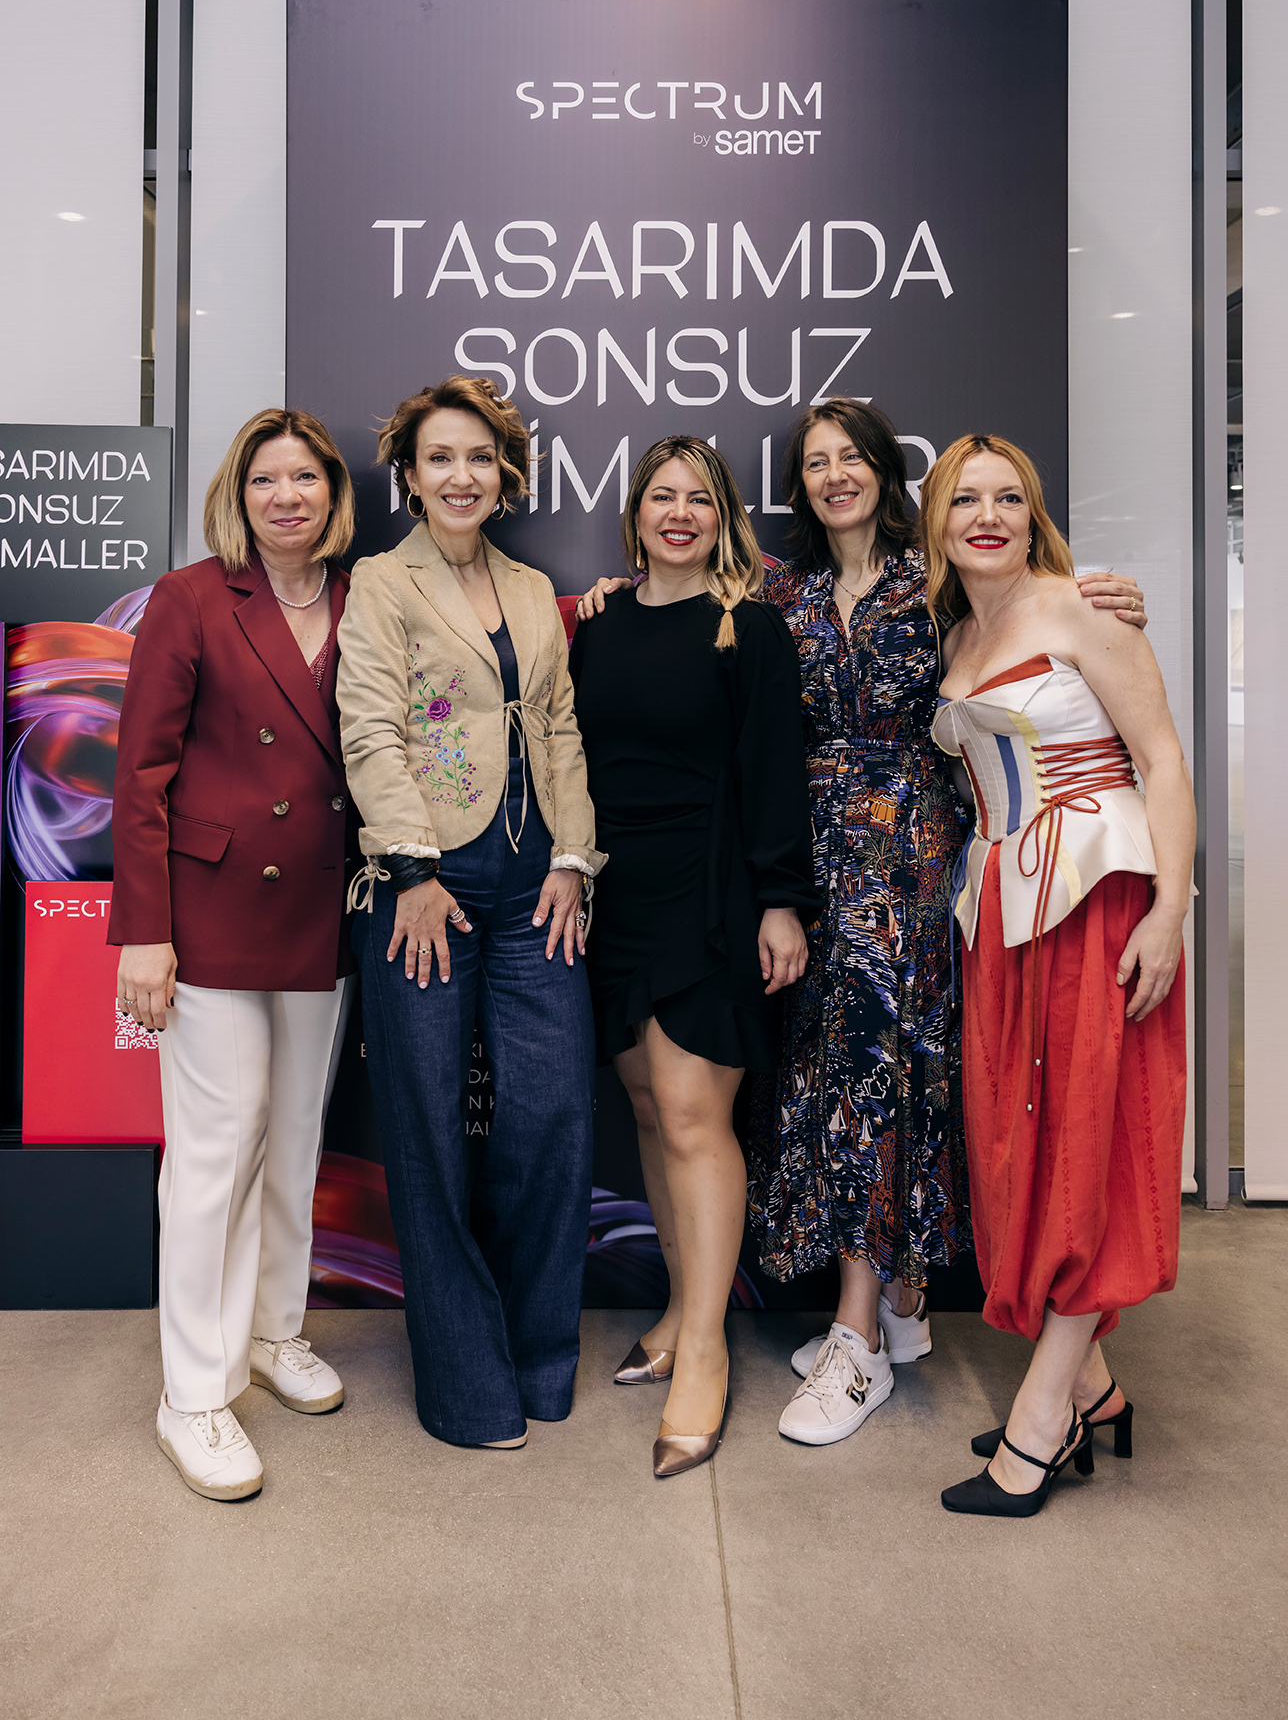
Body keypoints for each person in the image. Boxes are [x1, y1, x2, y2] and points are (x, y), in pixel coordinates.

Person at [580, 401, 1146, 1452]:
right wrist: (611, 597)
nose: (835, 474)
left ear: (884, 472)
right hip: (803, 865)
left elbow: (1031, 614)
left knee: (892, 1076)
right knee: (825, 1082)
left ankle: (865, 1330)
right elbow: (678, 622)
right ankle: (901, 1306)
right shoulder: (776, 593)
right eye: (816, 462)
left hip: (915, 864)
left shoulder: (935, 581)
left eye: (852, 458)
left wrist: (1101, 596)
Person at [924, 433, 1192, 1518]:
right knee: (1020, 1151)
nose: (986, 517)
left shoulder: (1085, 609)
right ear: (938, 520)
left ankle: (1042, 1424)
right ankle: (1096, 1390)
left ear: (1033, 513)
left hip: (1098, 901)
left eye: (1007, 498)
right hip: (1000, 909)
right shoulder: (954, 630)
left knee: (1090, 1145)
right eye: (965, 500)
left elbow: (1161, 759)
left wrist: (1170, 909)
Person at [336, 376, 602, 1451]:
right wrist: (410, 870)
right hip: (427, 889)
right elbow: (370, 730)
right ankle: (463, 1386)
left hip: (536, 883)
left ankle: (537, 1358)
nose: (461, 475)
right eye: (440, 457)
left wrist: (575, 858)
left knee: (553, 1116)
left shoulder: (533, 589)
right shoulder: (381, 581)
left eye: (480, 457)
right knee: (428, 1135)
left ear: (505, 474)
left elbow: (562, 729)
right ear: (409, 475)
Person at [110, 408, 358, 1502]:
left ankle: (271, 1330)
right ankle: (193, 1393)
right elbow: (139, 776)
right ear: (238, 494)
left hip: (322, 904)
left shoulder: (365, 596)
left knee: (296, 1138)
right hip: (207, 909)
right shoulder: (192, 596)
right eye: (266, 479)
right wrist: (143, 930)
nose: (286, 497)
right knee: (216, 1147)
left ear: (332, 492)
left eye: (305, 478)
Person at [568, 436, 821, 1478]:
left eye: (699, 499)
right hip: (614, 893)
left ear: (723, 519)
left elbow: (774, 773)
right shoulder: (595, 622)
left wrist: (782, 901)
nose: (680, 513)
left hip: (709, 894)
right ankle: (680, 1309)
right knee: (644, 1108)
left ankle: (706, 1351)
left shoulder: (747, 628)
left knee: (690, 1115)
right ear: (635, 515)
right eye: (662, 497)